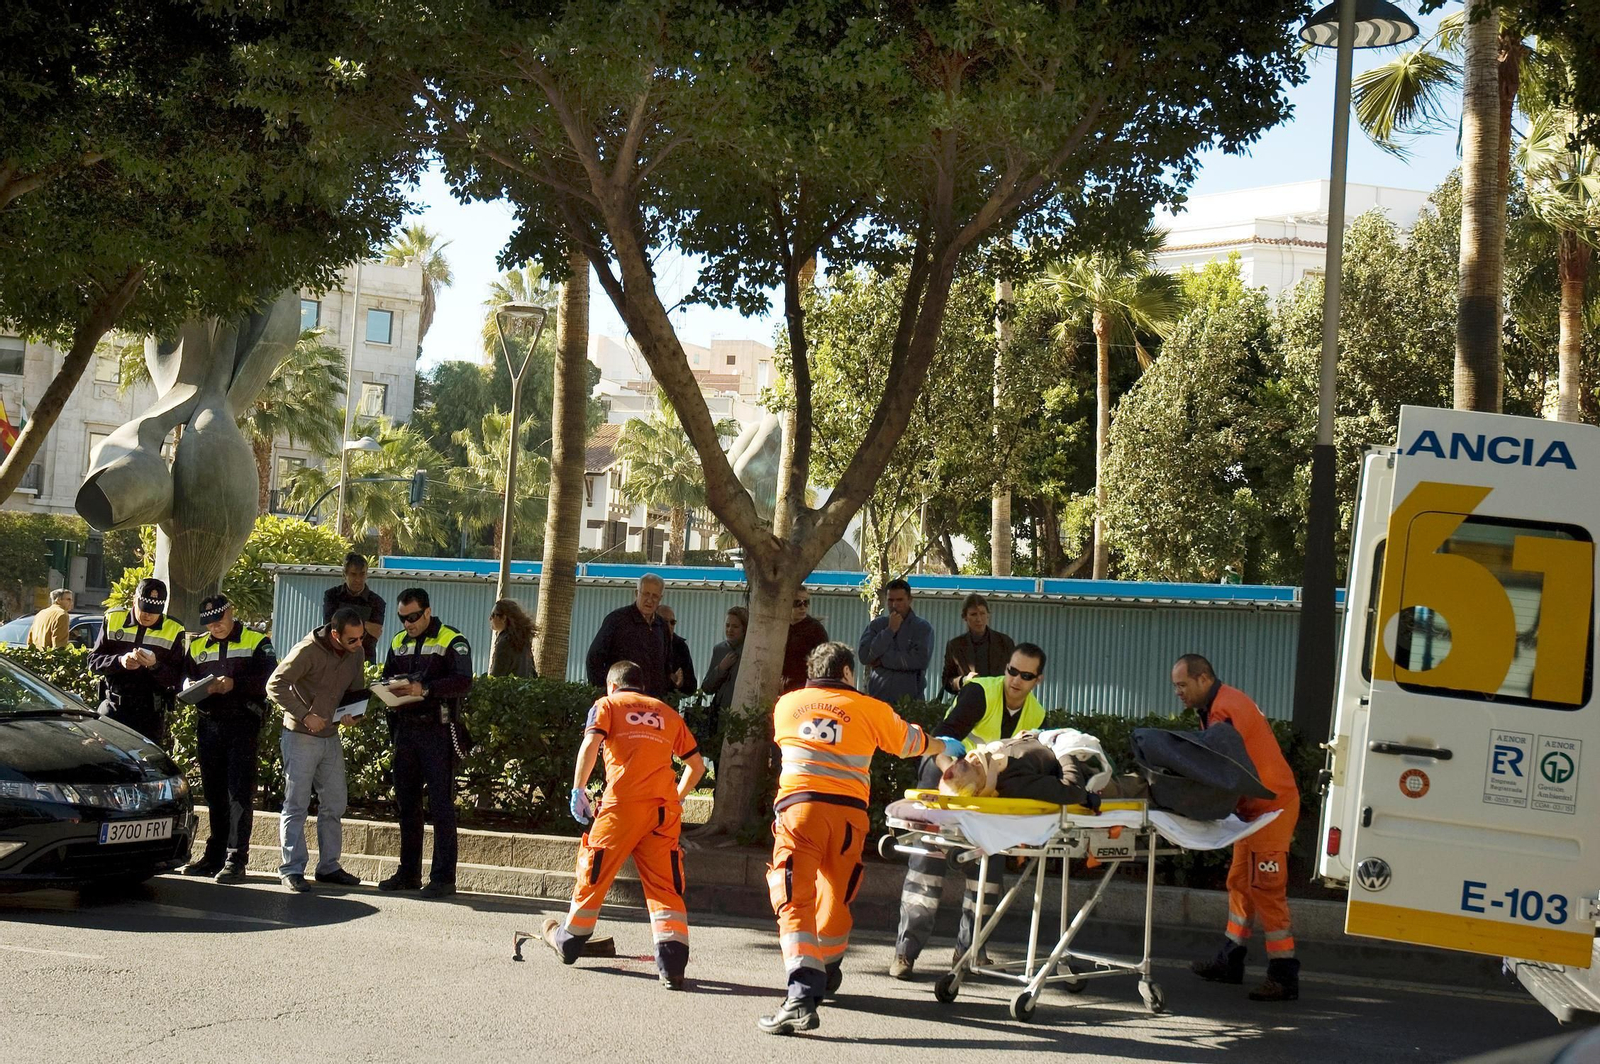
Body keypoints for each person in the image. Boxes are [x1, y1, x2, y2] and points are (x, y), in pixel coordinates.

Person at [759, 641, 966, 1035]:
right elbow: (909, 743)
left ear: (812, 673)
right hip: (849, 819)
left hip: (800, 812)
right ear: (847, 672)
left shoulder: (786, 705)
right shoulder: (870, 708)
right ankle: (827, 968)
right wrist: (943, 745)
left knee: (794, 897)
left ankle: (801, 996)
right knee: (836, 896)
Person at [539, 660, 706, 989]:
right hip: (663, 812)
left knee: (594, 874)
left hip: (622, 808)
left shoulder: (607, 705)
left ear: (612, 686)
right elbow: (697, 766)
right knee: (665, 887)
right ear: (641, 687)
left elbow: (591, 744)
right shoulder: (666, 713)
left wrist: (578, 789)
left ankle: (570, 940)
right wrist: (676, 797)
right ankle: (672, 967)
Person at [892, 643, 1051, 979]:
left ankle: (969, 953)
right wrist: (955, 778)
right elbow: (941, 742)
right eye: (1011, 671)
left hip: (988, 793)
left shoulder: (1036, 715)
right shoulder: (980, 692)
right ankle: (905, 953)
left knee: (988, 872)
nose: (1015, 680)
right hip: (945, 775)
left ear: (1038, 679)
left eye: (1025, 676)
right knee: (927, 865)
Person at [1174, 653, 1300, 1003]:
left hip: (1271, 809)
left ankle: (1284, 975)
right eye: (1176, 686)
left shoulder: (1223, 711)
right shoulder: (1220, 704)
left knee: (1266, 889)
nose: (1178, 692)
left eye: (1182, 685)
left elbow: (1218, 767)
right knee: (1240, 883)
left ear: (1203, 679)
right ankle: (1230, 960)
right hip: (1257, 809)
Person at [267, 607, 370, 893]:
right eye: (352, 639)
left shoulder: (357, 652)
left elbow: (355, 693)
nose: (359, 644)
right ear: (335, 634)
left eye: (361, 637)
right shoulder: (307, 650)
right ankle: (292, 869)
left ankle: (329, 867)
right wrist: (305, 715)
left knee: (335, 803)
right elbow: (275, 684)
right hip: (300, 735)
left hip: (330, 735)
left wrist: (354, 715)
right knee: (296, 804)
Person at [379, 588, 473, 899]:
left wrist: (427, 689)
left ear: (428, 612)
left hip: (437, 730)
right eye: (403, 618)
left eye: (414, 617)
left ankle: (443, 878)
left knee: (441, 805)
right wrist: (390, 690)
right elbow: (387, 677)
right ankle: (408, 873)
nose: (408, 623)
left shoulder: (451, 639)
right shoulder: (398, 641)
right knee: (407, 804)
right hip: (405, 730)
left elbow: (464, 681)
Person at [182, 595, 277, 883]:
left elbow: (271, 680)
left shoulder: (256, 641)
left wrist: (236, 684)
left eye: (219, 620)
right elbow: (184, 680)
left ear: (231, 613)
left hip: (242, 725)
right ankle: (214, 856)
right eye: (209, 623)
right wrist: (192, 686)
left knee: (239, 793)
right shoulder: (197, 646)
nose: (215, 626)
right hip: (209, 724)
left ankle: (236, 858)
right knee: (213, 793)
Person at [88, 577, 186, 743]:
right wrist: (120, 661)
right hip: (114, 708)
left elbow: (177, 678)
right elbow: (93, 662)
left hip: (149, 715)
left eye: (154, 611)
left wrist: (155, 665)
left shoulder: (174, 629)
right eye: (144, 608)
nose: (148, 615)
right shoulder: (113, 619)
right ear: (134, 600)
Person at [585, 574, 670, 697]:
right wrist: (604, 692)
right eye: (646, 594)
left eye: (655, 596)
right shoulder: (617, 620)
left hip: (651, 701)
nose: (649, 600)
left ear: (660, 598)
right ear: (636, 593)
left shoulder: (662, 625)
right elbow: (594, 659)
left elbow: (666, 664)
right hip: (621, 698)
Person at [856, 579, 934, 703]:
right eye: (890, 600)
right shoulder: (877, 625)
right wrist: (889, 631)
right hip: (878, 699)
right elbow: (864, 656)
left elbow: (919, 660)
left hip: (910, 703)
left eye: (899, 600)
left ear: (910, 600)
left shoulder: (922, 628)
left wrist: (881, 660)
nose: (894, 605)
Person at [940, 593, 1015, 696]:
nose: (979, 619)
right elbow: (947, 682)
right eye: (973, 614)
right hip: (969, 701)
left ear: (988, 615)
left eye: (982, 613)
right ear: (965, 617)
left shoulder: (1005, 642)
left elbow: (1015, 675)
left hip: (999, 700)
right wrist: (963, 680)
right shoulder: (955, 646)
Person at [322, 552, 385, 663]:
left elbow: (376, 631)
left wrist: (343, 622)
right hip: (335, 658)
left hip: (364, 659)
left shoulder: (377, 601)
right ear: (344, 575)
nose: (358, 579)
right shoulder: (332, 595)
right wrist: (364, 624)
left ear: (367, 575)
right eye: (353, 574)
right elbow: (329, 627)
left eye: (362, 574)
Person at [700, 606, 748, 737]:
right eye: (727, 625)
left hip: (743, 716)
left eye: (735, 626)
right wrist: (721, 668)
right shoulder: (719, 649)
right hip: (720, 716)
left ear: (744, 629)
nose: (729, 630)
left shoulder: (750, 651)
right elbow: (707, 687)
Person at [781, 589, 828, 693]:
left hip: (804, 686)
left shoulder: (816, 629)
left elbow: (823, 661)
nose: (803, 607)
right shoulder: (778, 626)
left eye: (806, 602)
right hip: (778, 686)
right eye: (797, 603)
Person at [488, 598, 537, 678]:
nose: (490, 618)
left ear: (503, 618)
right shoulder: (523, 640)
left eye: (493, 615)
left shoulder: (504, 642)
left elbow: (497, 675)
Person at [657, 604, 697, 695]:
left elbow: (691, 686)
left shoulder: (680, 646)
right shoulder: (645, 642)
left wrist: (680, 683)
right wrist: (668, 679)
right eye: (664, 621)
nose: (669, 626)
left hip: (669, 700)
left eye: (672, 622)